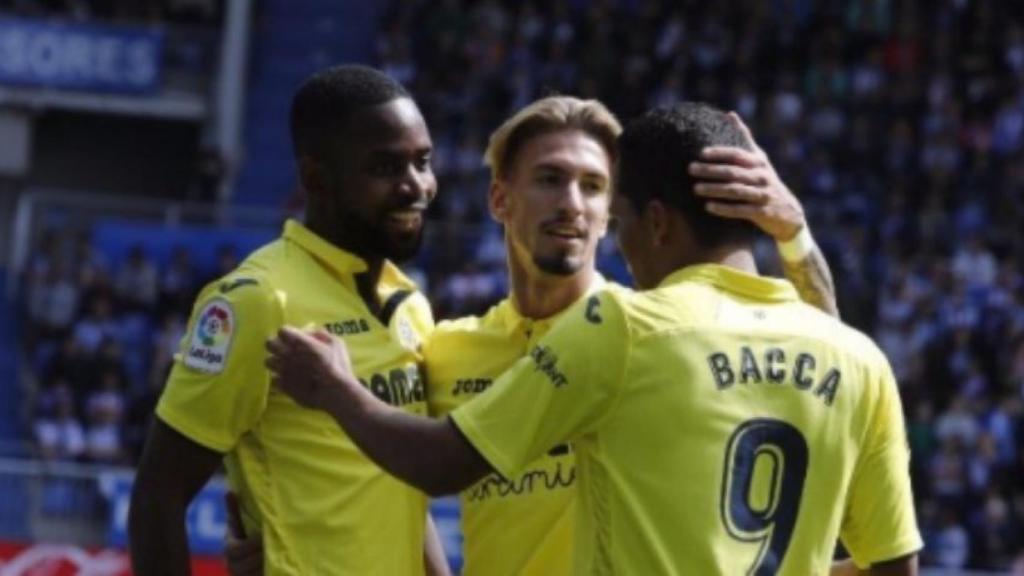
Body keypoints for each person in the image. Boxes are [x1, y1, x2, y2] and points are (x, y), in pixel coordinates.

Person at [266, 103, 922, 575]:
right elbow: (406, 488)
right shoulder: (446, 348)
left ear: (625, 216)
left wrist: (795, 238)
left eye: (598, 189)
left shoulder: (640, 331)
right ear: (500, 199)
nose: (575, 204)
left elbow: (798, 349)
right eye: (550, 179)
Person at [128, 65, 449, 576]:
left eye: (423, 161)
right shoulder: (257, 301)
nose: (416, 186)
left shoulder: (411, 303)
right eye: (386, 167)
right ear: (316, 178)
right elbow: (157, 498)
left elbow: (402, 492)